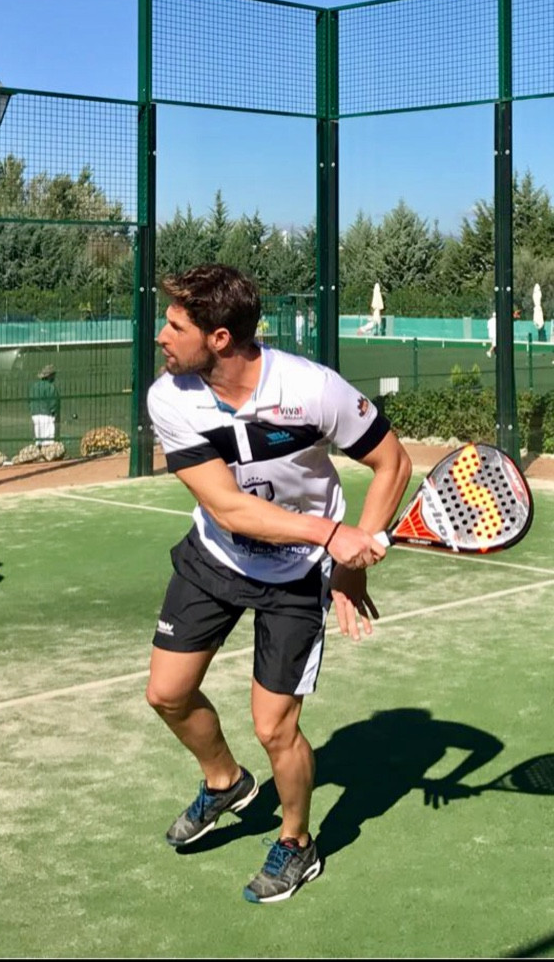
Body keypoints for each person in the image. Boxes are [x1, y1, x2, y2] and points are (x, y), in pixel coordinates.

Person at [146, 264, 411, 904]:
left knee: (275, 727)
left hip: (295, 576)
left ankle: (296, 843)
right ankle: (225, 781)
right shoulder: (169, 397)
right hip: (216, 556)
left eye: (175, 326)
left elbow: (392, 461)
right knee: (167, 694)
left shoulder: (311, 388)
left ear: (219, 338)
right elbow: (229, 508)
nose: (161, 336)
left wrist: (351, 562)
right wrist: (332, 535)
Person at [28, 365, 60, 446]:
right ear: (50, 376)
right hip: (47, 415)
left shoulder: (34, 386)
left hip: (35, 414)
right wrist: (54, 413)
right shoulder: (51, 387)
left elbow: (30, 400)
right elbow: (53, 403)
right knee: (48, 440)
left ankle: (39, 451)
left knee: (38, 438)